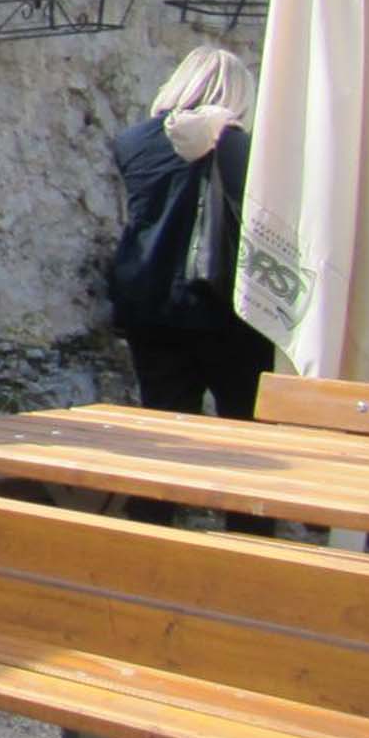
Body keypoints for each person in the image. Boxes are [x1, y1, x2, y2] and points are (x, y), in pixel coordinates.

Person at [109, 46, 276, 530]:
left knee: (164, 425)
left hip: (151, 300)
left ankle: (153, 528)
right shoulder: (247, 148)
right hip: (231, 309)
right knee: (244, 430)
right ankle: (247, 538)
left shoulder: (133, 141)